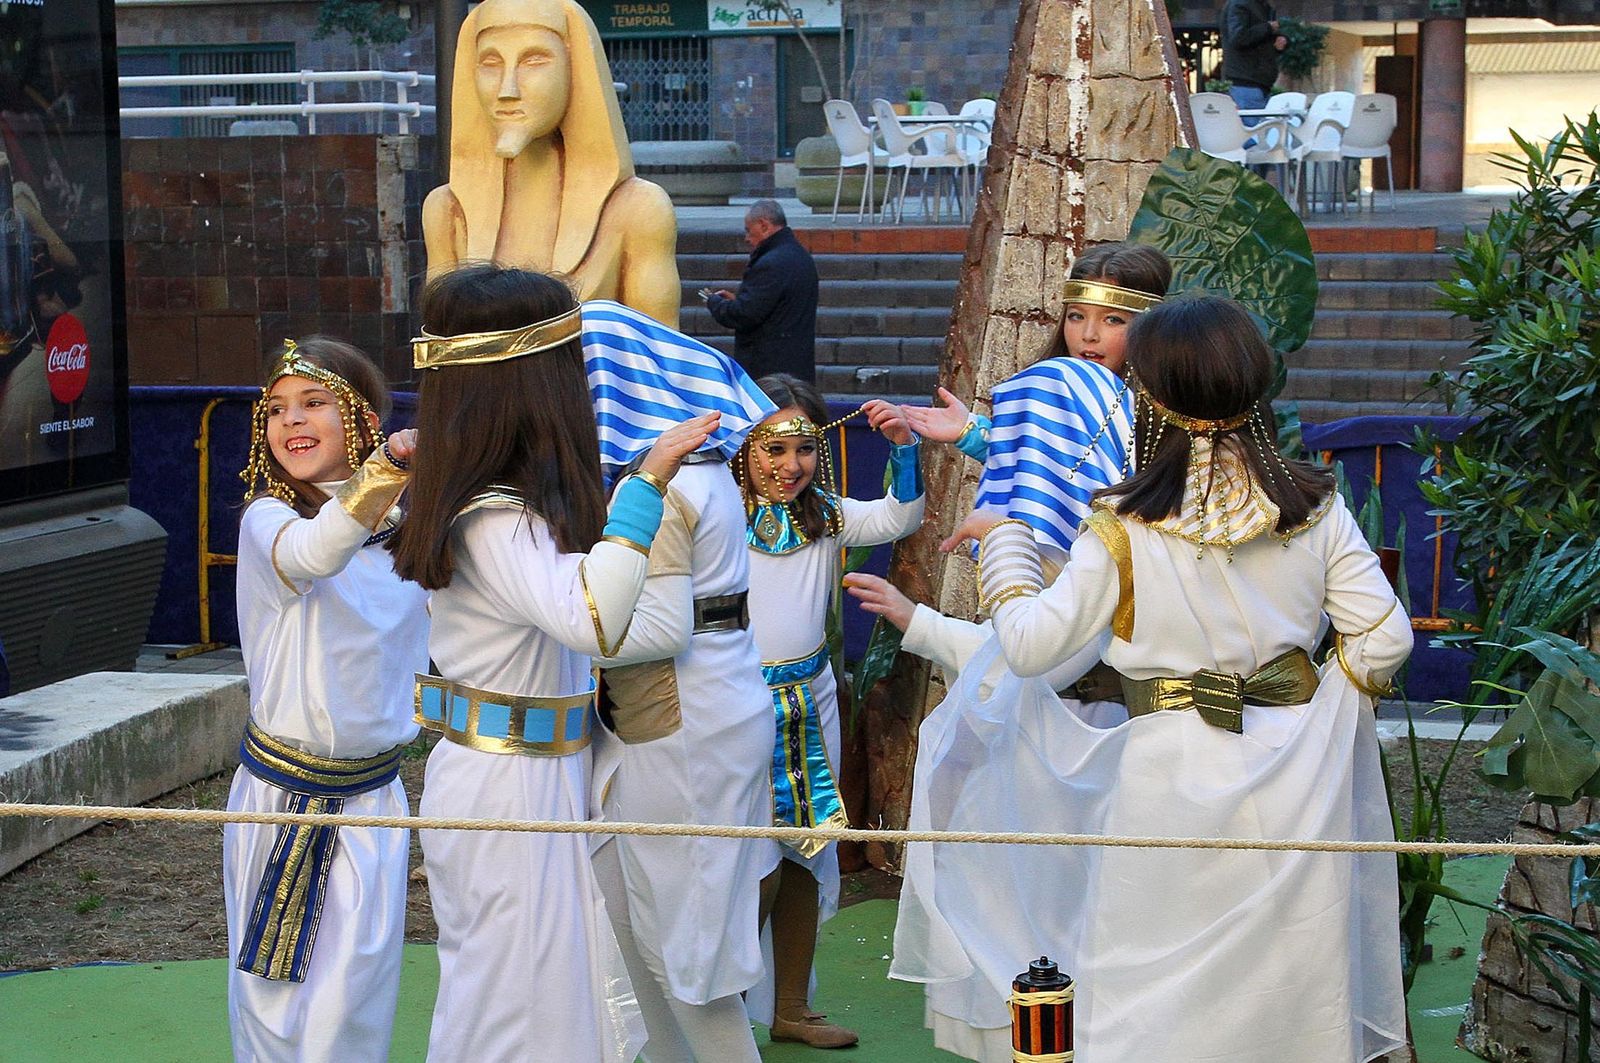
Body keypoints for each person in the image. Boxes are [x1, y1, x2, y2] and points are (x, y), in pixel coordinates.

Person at [922, 294, 1412, 1062]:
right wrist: (1315, 730)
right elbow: (1383, 640)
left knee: (1148, 997)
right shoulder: (1316, 507)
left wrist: (1009, 544)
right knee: (1291, 995)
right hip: (1297, 785)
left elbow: (1030, 646)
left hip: (1166, 779)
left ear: (1146, 398)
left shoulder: (1124, 523)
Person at [386, 264, 717, 1063]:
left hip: (542, 772)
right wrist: (647, 483)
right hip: (510, 783)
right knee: (512, 1005)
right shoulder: (494, 517)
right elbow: (594, 619)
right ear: (533, 388)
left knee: (557, 997)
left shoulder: (501, 503)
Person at [579, 298, 778, 1062]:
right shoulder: (699, 472)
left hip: (684, 721)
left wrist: (555, 623)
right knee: (653, 922)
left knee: (683, 948)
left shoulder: (663, 487)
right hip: (706, 710)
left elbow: (660, 629)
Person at [226, 336, 429, 1062]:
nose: (292, 420)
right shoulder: (268, 524)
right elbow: (319, 553)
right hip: (280, 796)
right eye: (277, 408)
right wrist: (387, 472)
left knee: (353, 1000)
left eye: (314, 402)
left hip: (373, 802)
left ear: (363, 417)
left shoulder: (418, 533)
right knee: (274, 1008)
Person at [737, 374, 925, 1048]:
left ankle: (791, 1007)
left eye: (806, 449)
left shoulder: (827, 514)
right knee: (742, 855)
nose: (791, 466)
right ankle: (719, 1009)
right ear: (743, 446)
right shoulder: (716, 516)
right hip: (734, 705)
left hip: (810, 701)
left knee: (802, 852)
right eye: (774, 449)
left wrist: (903, 446)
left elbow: (900, 516)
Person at [904, 242, 1171, 570]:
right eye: (1076, 316)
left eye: (1113, 320)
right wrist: (972, 433)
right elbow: (1052, 467)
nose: (1088, 334)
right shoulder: (1053, 385)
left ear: (1150, 327)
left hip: (1138, 573)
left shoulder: (1170, 405)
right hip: (1053, 578)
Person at [421, 0, 681, 327]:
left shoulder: (638, 210)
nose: (507, 90)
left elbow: (658, 357)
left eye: (534, 60)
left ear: (575, 69)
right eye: (490, 62)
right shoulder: (446, 212)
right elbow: (439, 352)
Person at [704, 199, 820, 382]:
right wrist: (738, 300)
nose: (747, 238)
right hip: (795, 362)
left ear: (764, 226)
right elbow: (774, 305)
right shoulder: (799, 255)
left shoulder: (771, 263)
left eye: (749, 231)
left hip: (770, 369)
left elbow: (745, 314)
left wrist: (715, 303)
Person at [1221, 0, 1288, 120]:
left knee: (1254, 131)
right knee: (1253, 133)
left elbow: (1256, 38)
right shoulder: (1240, 4)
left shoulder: (1260, 6)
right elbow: (1239, 38)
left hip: (1254, 82)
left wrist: (1279, 40)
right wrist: (1268, 28)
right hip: (1247, 82)